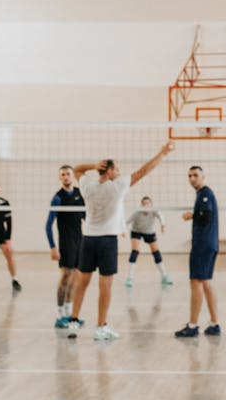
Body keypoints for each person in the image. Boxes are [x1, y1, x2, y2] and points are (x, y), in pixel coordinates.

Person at [67, 142, 174, 341]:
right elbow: (143, 171)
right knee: (105, 285)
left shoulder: (87, 185)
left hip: (88, 239)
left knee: (82, 283)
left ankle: (74, 320)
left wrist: (93, 166)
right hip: (107, 241)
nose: (120, 171)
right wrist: (162, 153)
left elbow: (77, 169)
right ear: (109, 171)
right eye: (117, 168)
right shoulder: (117, 186)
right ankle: (101, 327)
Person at [174, 166, 220, 338]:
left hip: (203, 245)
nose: (192, 178)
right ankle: (215, 323)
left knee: (196, 282)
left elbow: (206, 217)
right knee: (206, 283)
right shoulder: (202, 194)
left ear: (203, 176)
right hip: (209, 244)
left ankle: (193, 325)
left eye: (195, 175)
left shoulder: (205, 193)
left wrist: (191, 215)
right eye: (190, 176)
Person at [45, 164, 86, 329]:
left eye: (68, 174)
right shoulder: (57, 198)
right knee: (65, 278)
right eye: (63, 174)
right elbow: (48, 225)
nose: (66, 176)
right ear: (60, 178)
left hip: (80, 240)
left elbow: (86, 217)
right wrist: (53, 247)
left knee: (76, 279)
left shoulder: (79, 193)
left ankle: (69, 315)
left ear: (72, 176)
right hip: (66, 242)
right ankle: (60, 315)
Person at [125, 196, 173, 287]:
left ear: (151, 205)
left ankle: (164, 276)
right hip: (136, 231)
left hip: (149, 232)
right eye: (144, 204)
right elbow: (127, 221)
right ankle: (130, 277)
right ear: (141, 205)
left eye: (148, 203)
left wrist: (163, 225)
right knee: (135, 251)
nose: (146, 205)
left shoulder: (154, 211)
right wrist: (123, 230)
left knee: (156, 252)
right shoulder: (137, 212)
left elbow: (161, 217)